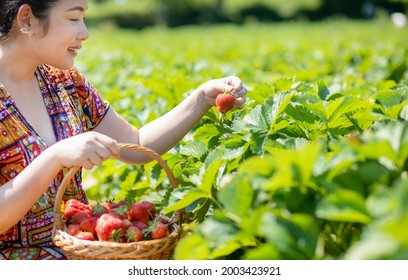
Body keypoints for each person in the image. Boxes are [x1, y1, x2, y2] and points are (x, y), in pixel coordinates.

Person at [0, 0, 247, 260]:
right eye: (74, 19)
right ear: (27, 19)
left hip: (83, 251)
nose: (85, 32)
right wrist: (54, 157)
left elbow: (136, 144)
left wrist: (202, 99)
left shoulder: (66, 82)